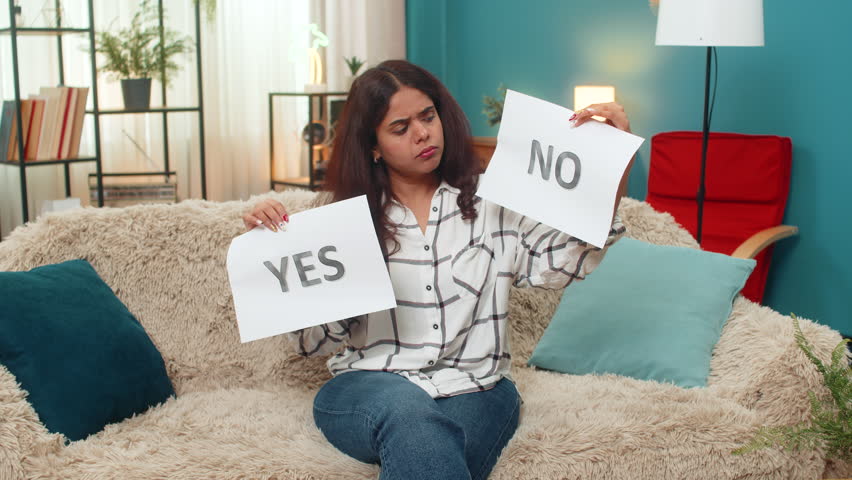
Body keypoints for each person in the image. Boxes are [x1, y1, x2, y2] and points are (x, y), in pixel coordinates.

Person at [243, 60, 633, 480]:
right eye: (400, 128)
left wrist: (615, 164)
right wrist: (274, 243)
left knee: (431, 444)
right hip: (368, 387)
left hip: (477, 388)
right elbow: (313, 341)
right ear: (373, 146)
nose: (422, 133)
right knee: (406, 411)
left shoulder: (494, 203)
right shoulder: (344, 222)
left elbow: (563, 261)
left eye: (428, 117)